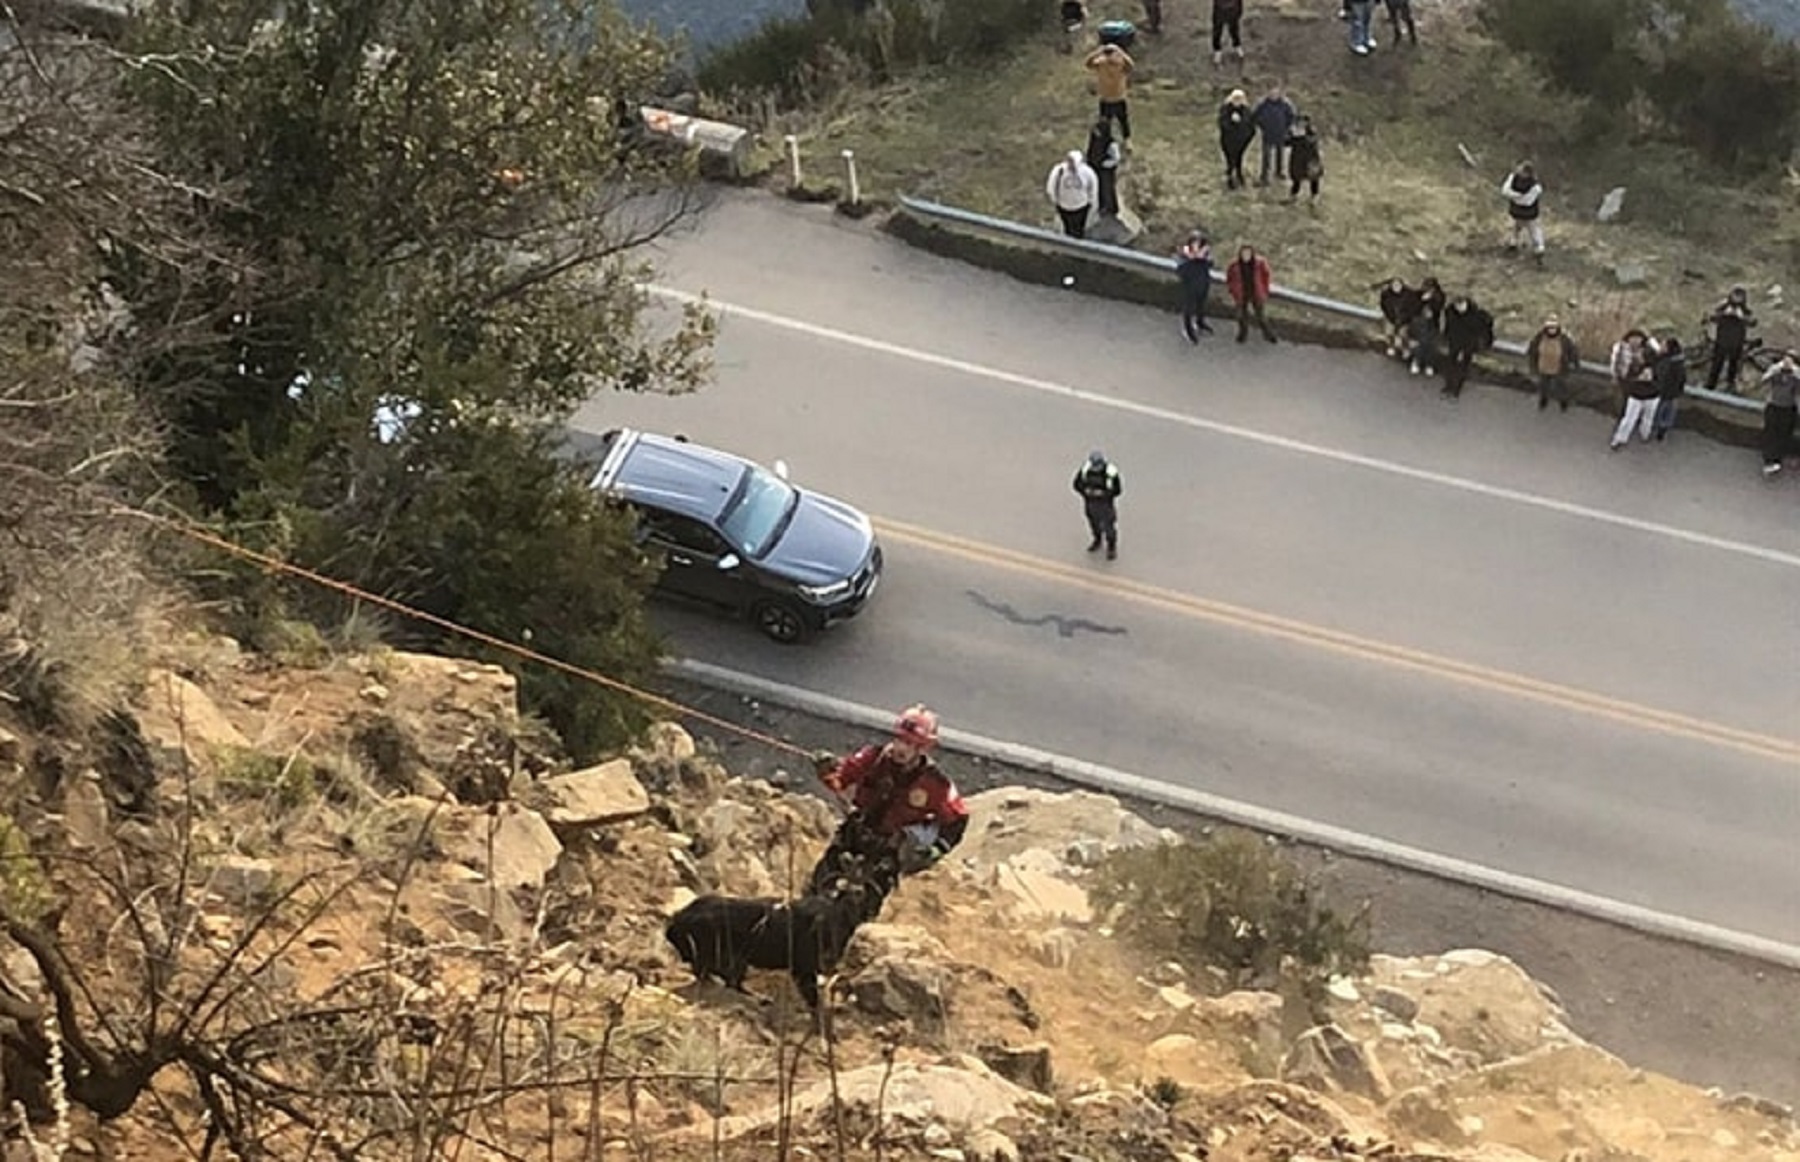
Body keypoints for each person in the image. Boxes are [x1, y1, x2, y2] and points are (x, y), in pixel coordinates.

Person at [809, 705, 970, 900]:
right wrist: (825, 770)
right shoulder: (873, 758)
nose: (900, 747)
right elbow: (840, 779)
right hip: (856, 832)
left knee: (866, 903)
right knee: (818, 886)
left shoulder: (936, 785)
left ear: (923, 748)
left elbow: (957, 820)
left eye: (910, 743)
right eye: (899, 739)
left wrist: (937, 850)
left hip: (888, 850)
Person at [1611, 336, 1663, 449]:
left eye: (1640, 354)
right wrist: (1638, 378)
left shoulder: (1657, 366)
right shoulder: (1635, 366)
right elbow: (1627, 377)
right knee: (1630, 418)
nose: (1637, 356)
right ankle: (1620, 438)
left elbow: (1662, 380)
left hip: (1649, 395)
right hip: (1639, 395)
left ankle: (1644, 434)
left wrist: (1651, 379)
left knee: (1647, 417)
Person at [1703, 286, 1758, 393]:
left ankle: (1730, 385)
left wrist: (1742, 317)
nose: (1737, 299)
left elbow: (1753, 322)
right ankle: (1710, 385)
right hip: (1722, 341)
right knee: (1716, 365)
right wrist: (1724, 314)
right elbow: (1711, 317)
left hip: (1736, 343)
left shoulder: (1745, 311)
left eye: (1739, 297)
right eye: (1735, 296)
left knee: (1733, 366)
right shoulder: (1723, 307)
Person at [1440, 293, 1493, 399]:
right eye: (1457, 306)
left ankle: (1455, 390)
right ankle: (1449, 386)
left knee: (1461, 367)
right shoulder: (1451, 312)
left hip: (1468, 344)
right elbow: (1449, 327)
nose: (1459, 308)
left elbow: (1479, 331)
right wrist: (1446, 338)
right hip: (1455, 342)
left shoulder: (1474, 315)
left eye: (1461, 305)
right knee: (1450, 364)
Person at [1073, 449, 1123, 558]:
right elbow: (1076, 485)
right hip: (1090, 503)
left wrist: (1103, 494)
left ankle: (1111, 547)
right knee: (1094, 524)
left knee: (1109, 527)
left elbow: (1118, 490)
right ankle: (1097, 540)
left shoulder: (1110, 472)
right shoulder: (1085, 470)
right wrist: (1086, 493)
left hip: (1105, 504)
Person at [1525, 314, 1579, 412]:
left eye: (1554, 328)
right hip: (1543, 367)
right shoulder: (1539, 337)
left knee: (1561, 387)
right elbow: (1532, 350)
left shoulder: (1564, 339)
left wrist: (1575, 363)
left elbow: (1573, 351)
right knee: (1543, 386)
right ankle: (1543, 400)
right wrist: (1533, 365)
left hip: (1559, 368)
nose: (1552, 330)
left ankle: (1563, 402)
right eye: (1550, 328)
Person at [1227, 244, 1278, 344]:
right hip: (1241, 294)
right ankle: (1242, 334)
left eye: (1248, 254)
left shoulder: (1259, 263)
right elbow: (1230, 278)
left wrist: (1264, 289)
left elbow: (1266, 276)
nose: (1246, 256)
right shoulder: (1234, 265)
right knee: (1241, 316)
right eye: (1244, 254)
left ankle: (1269, 334)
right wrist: (1233, 290)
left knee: (1261, 316)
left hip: (1256, 292)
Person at [1760, 351, 1799, 476]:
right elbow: (1764, 380)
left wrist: (1795, 375)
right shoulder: (1775, 369)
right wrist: (1775, 372)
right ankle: (1769, 460)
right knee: (1770, 432)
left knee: (1783, 433)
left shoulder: (1797, 373)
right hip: (1774, 405)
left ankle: (1777, 459)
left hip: (1788, 407)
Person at [1085, 42, 1135, 140]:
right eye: (1108, 52)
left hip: (1118, 98)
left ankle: (1127, 141)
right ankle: (1106, 142)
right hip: (1106, 99)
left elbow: (1131, 66)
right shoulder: (1101, 63)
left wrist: (1120, 52)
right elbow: (1088, 64)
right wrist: (1098, 52)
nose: (1109, 55)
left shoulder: (1120, 63)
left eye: (1111, 52)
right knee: (1105, 124)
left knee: (1123, 121)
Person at [1045, 149, 1099, 239]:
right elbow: (1051, 186)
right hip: (1064, 206)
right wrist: (1055, 200)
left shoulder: (1087, 172)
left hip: (1081, 206)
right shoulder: (1059, 170)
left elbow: (1093, 187)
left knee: (1079, 228)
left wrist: (1092, 201)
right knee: (1068, 227)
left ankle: (1077, 241)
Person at [1252, 84, 1297, 186]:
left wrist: (1287, 127)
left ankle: (1279, 172)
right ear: (1268, 93)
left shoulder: (1285, 104)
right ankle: (1264, 176)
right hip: (1267, 133)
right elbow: (1254, 115)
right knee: (1266, 156)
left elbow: (1292, 116)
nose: (1273, 94)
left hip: (1281, 133)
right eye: (1271, 92)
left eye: (1275, 93)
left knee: (1280, 154)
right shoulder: (1263, 104)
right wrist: (1261, 124)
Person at [1501, 162, 1545, 264]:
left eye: (1522, 170)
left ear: (1527, 173)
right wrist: (1518, 196)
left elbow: (1527, 202)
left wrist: (1513, 196)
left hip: (1530, 214)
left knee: (1534, 232)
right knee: (1514, 228)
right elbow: (1504, 191)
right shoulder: (1513, 177)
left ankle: (1539, 250)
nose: (1519, 171)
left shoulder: (1536, 187)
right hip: (1516, 211)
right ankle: (1513, 244)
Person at [1176, 231, 1215, 344]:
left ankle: (1200, 322)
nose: (1196, 246)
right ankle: (1188, 330)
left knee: (1201, 305)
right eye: (1194, 243)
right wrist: (1193, 258)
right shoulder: (1184, 254)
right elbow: (1181, 270)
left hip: (1203, 283)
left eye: (1198, 243)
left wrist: (1203, 257)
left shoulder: (1206, 254)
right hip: (1190, 285)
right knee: (1189, 308)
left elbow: (1211, 263)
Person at [1218, 89, 1256, 191]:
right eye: (1235, 99)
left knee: (1239, 159)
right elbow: (1222, 123)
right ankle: (1230, 178)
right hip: (1228, 140)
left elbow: (1250, 126)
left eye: (1239, 99)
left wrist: (1247, 135)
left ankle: (1239, 175)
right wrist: (1232, 123)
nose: (1237, 101)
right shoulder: (1225, 109)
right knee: (1230, 160)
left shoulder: (1246, 110)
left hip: (1242, 141)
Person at [1651, 336, 1687, 440]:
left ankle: (1659, 428)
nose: (1660, 347)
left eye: (1663, 345)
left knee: (1661, 411)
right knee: (1669, 412)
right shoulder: (1679, 361)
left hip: (1664, 392)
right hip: (1673, 393)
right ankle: (1663, 428)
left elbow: (1660, 375)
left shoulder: (1666, 362)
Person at [1408, 277, 1445, 376]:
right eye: (1427, 287)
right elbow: (1414, 308)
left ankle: (1429, 364)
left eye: (1431, 288)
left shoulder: (1439, 296)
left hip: (1432, 324)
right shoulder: (1417, 295)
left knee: (1431, 345)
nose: (1428, 290)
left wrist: (1431, 300)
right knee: (1418, 343)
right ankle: (1416, 361)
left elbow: (1438, 308)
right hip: (1419, 323)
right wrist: (1422, 301)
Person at [1377, 278, 1423, 359]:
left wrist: (1405, 317)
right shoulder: (1386, 294)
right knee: (1389, 332)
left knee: (1403, 334)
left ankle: (1405, 349)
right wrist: (1390, 316)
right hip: (1391, 317)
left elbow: (1415, 308)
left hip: (1405, 319)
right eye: (1394, 285)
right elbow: (1384, 305)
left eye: (1398, 285)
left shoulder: (1409, 295)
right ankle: (1392, 346)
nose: (1396, 287)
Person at [1086, 117, 1122, 216]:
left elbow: (1116, 158)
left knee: (1107, 188)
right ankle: (1101, 206)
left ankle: (1110, 208)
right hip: (1094, 166)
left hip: (1105, 170)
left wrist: (1104, 164)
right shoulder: (1095, 138)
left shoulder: (1111, 143)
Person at [1284, 115, 1322, 204]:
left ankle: (1314, 196)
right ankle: (1293, 196)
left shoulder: (1311, 132)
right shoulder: (1293, 131)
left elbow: (1312, 141)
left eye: (1304, 122)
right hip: (1297, 159)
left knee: (1314, 178)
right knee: (1296, 178)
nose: (1301, 124)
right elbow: (1286, 143)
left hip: (1311, 158)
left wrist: (1301, 137)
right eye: (1300, 122)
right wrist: (1290, 136)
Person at [1609, 328, 1650, 408]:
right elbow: (1614, 361)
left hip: (1638, 381)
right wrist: (1614, 375)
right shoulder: (1621, 347)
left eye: (1638, 339)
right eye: (1633, 338)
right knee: (1623, 401)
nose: (1635, 341)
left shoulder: (1645, 350)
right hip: (1624, 378)